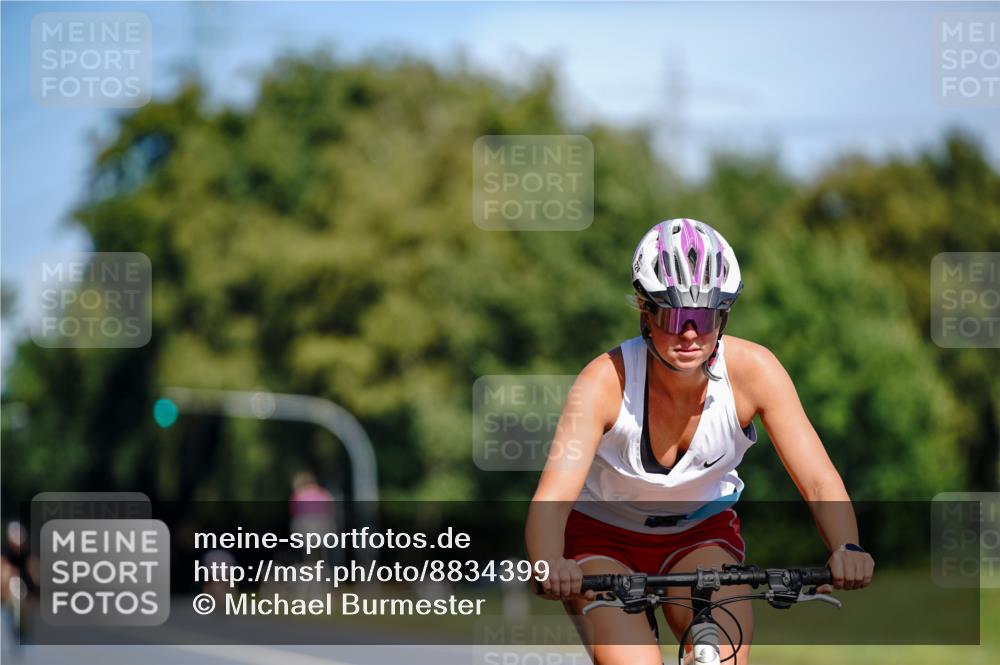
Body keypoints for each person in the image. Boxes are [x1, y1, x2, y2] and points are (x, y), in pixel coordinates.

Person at [525, 218, 875, 665]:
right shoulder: (603, 382)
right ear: (646, 313)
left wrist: (846, 546)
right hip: (601, 540)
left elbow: (819, 480)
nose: (690, 333)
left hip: (699, 535)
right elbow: (552, 498)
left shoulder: (755, 372)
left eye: (704, 317)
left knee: (723, 656)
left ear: (723, 317)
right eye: (674, 316)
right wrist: (549, 562)